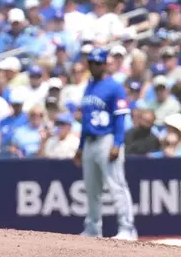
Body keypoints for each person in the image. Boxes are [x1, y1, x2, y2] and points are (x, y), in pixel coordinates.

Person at [73, 48, 137, 240]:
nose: (94, 66)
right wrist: (80, 147)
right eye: (91, 63)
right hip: (90, 142)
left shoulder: (115, 87)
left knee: (117, 185)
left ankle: (127, 228)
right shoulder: (88, 87)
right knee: (91, 188)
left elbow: (120, 119)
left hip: (107, 139)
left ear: (105, 64)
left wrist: (118, 143)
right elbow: (85, 122)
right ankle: (93, 228)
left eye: (98, 63)